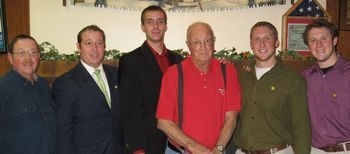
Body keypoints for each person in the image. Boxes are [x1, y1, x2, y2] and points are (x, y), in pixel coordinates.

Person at [156, 22, 241, 154]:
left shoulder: (227, 71)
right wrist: (197, 148)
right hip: (180, 151)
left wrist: (218, 149)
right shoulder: (173, 74)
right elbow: (163, 122)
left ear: (214, 42)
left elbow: (231, 117)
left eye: (207, 41)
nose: (203, 47)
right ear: (188, 44)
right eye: (196, 42)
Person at [233, 21, 311, 154]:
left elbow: (301, 126)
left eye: (267, 38)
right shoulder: (241, 76)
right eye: (257, 39)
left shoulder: (293, 79)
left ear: (276, 42)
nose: (261, 44)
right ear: (251, 44)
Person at [118, 5, 183, 154]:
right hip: (148, 143)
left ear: (165, 26)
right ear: (142, 27)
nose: (155, 26)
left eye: (160, 21)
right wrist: (137, 148)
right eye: (150, 22)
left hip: (178, 141)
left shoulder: (178, 60)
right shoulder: (130, 61)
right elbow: (129, 109)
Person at [52, 25, 124, 154]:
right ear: (79, 47)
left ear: (104, 46)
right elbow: (63, 133)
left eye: (99, 43)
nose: (94, 48)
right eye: (88, 43)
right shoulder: (65, 84)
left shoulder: (118, 75)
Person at [0, 34, 55, 154]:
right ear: (10, 58)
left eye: (33, 52)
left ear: (39, 57)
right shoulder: (3, 88)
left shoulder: (43, 85)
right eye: (21, 53)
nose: (28, 58)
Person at [302, 18, 350, 153]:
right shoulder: (304, 77)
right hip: (315, 150)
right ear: (308, 46)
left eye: (324, 38)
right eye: (313, 40)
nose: (319, 45)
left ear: (334, 41)